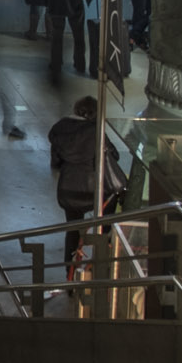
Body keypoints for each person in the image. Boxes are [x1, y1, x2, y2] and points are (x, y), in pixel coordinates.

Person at [48, 96, 119, 257]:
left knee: (73, 230)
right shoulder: (95, 131)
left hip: (68, 188)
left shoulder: (61, 129)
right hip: (94, 190)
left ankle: (69, 268)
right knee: (106, 218)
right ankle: (102, 256)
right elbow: (113, 155)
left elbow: (55, 162)